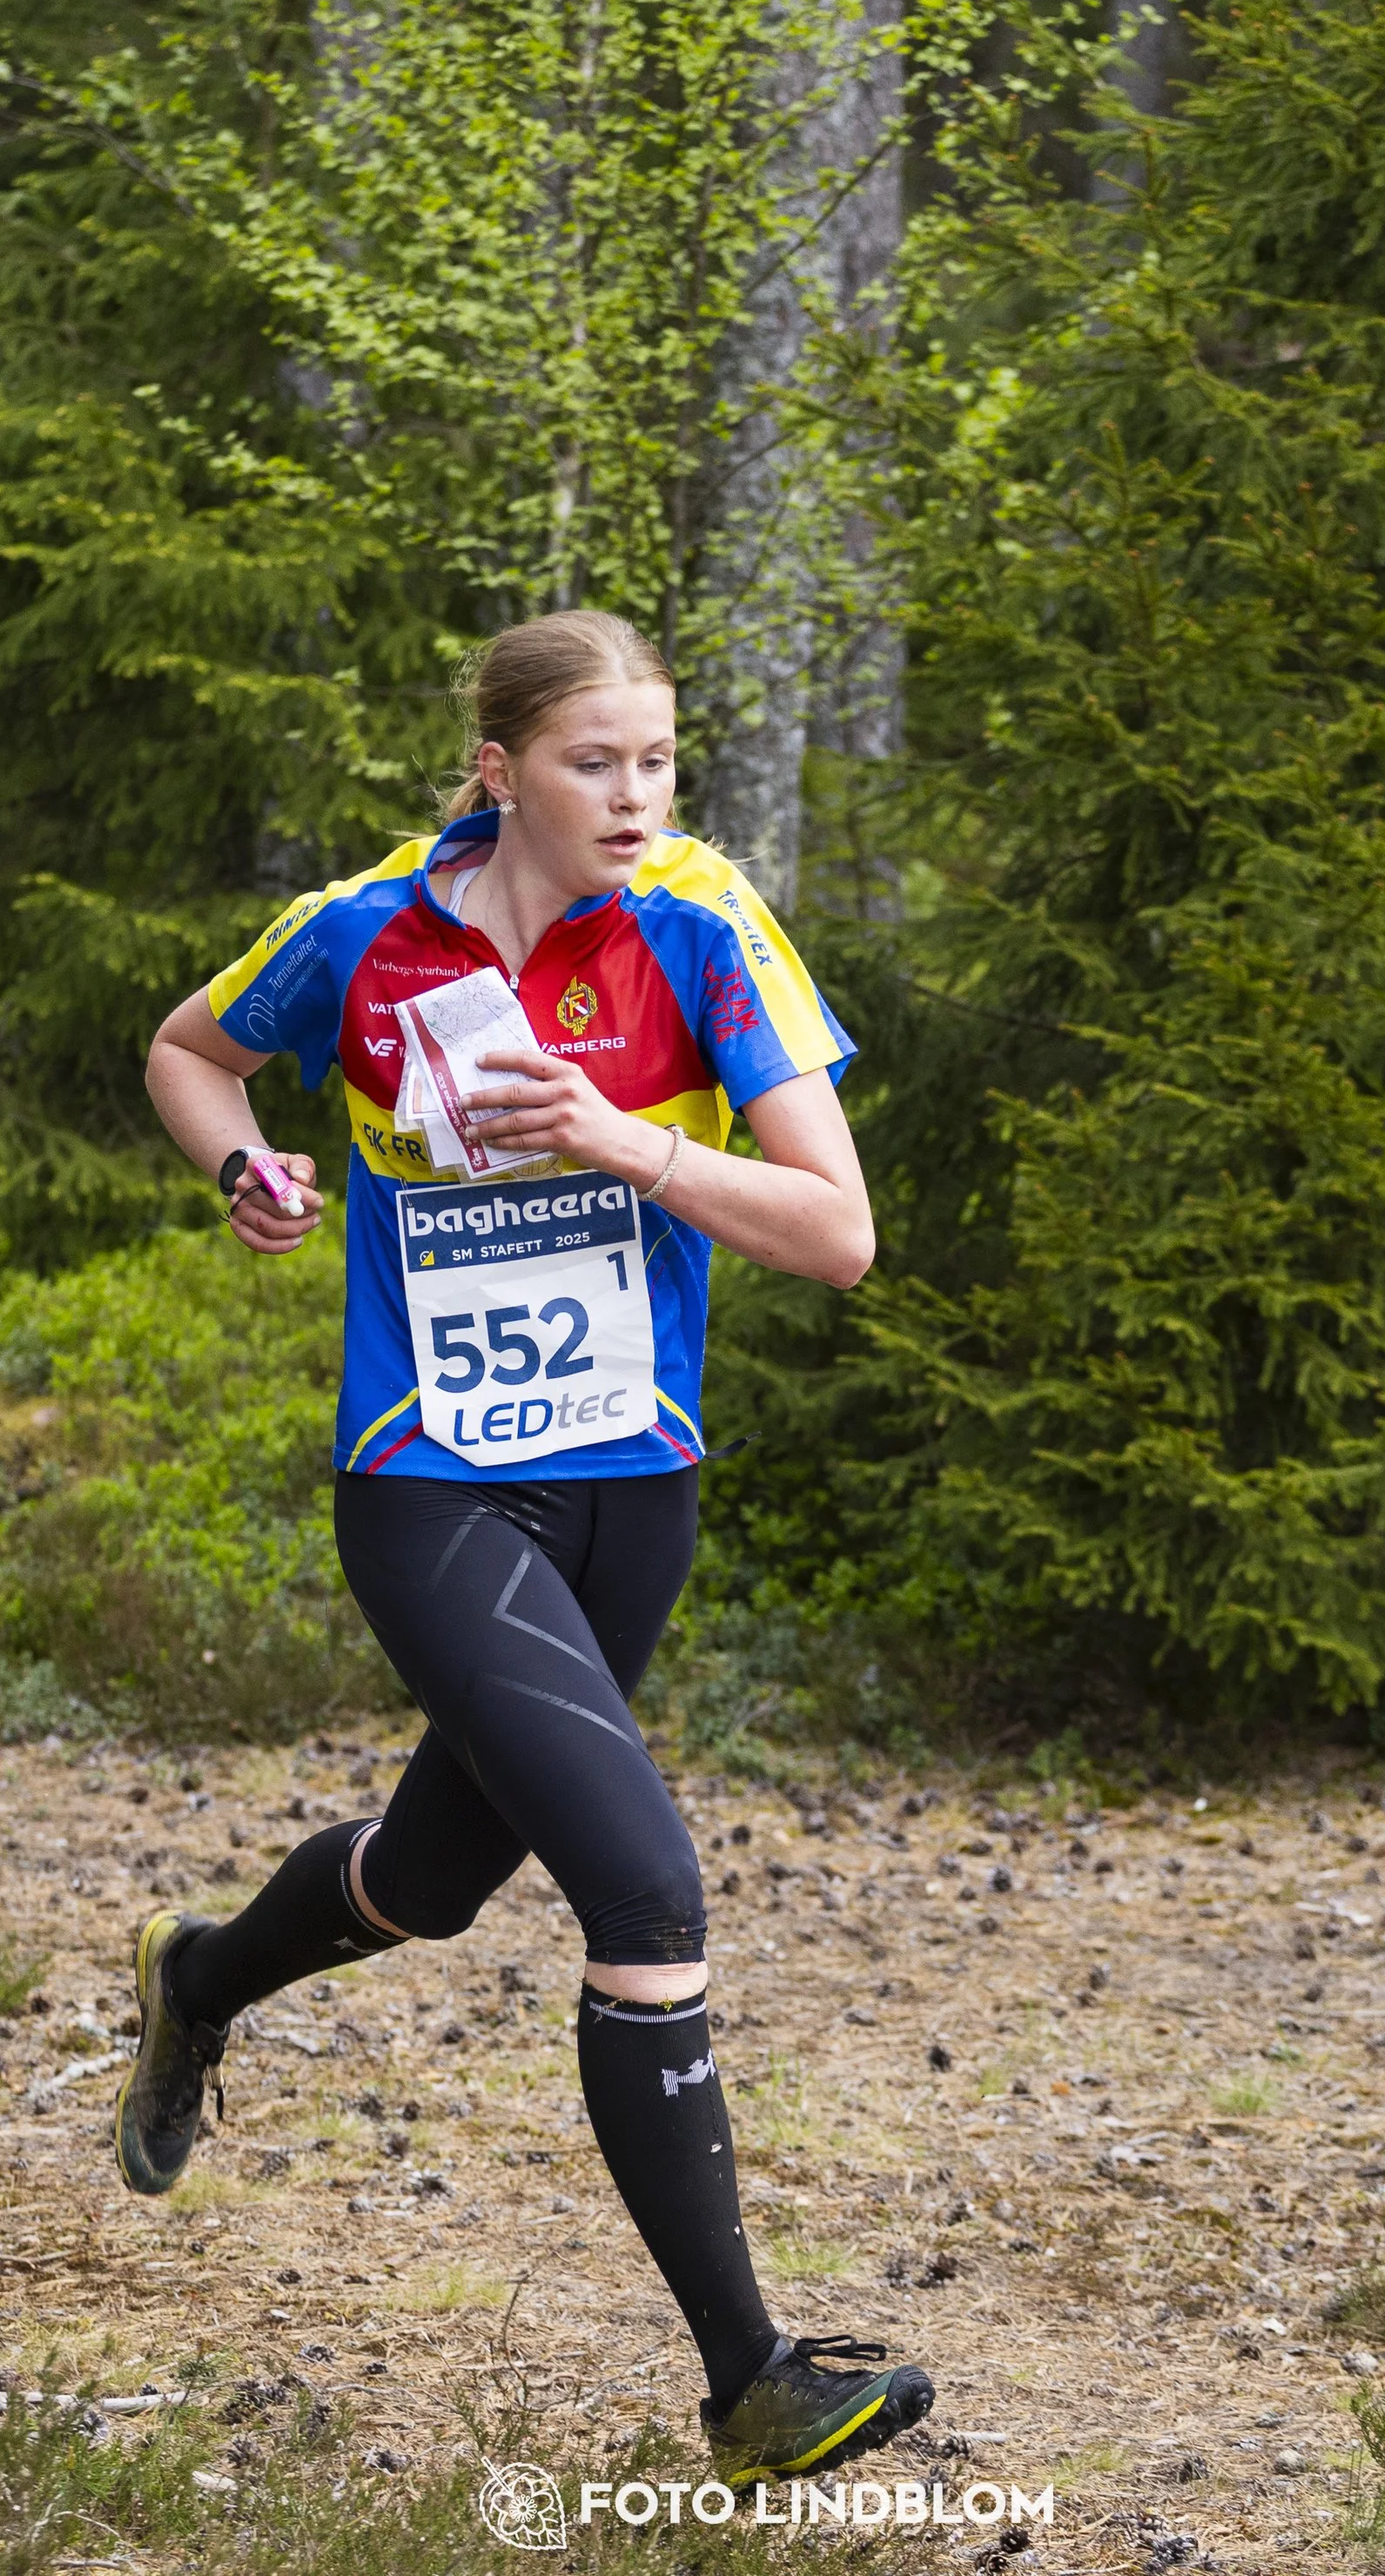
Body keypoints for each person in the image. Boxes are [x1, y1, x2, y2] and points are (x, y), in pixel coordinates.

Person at [121, 607, 933, 2485]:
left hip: (632, 1485)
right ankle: (752, 2383)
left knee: (430, 1877)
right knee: (644, 1896)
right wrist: (242, 1163)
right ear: (500, 771)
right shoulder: (360, 933)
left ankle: (201, 1981)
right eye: (594, 762)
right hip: (432, 1482)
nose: (636, 797)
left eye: (659, 761)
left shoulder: (701, 927)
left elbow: (838, 1233)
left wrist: (620, 1138)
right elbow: (186, 1050)